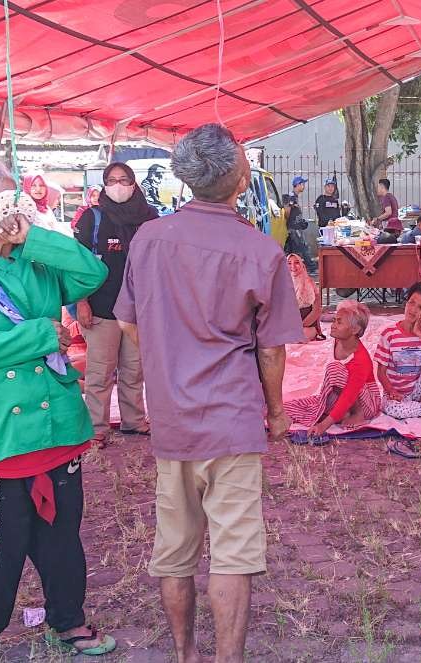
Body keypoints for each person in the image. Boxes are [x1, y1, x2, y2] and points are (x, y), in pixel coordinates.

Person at [114, 124, 303, 663]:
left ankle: (184, 654)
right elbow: (271, 350)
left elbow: (129, 324)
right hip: (233, 417)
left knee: (174, 550)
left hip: (171, 416)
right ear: (241, 178)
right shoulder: (259, 249)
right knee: (234, 551)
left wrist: (168, 359)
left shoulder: (149, 239)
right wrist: (277, 412)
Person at [0, 164, 115, 662]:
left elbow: (92, 274)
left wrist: (35, 238)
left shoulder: (38, 262)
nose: (10, 210)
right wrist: (39, 335)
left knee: (61, 538)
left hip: (54, 427)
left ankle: (68, 621)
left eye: (14, 200)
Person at [74, 163, 156, 445]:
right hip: (101, 307)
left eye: (124, 180)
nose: (118, 185)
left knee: (135, 369)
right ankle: (96, 425)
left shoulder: (148, 218)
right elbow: (76, 266)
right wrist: (81, 302)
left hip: (137, 309)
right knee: (100, 370)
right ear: (104, 184)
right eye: (112, 180)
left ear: (134, 184)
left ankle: (133, 420)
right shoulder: (92, 219)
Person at [284, 299, 380, 440]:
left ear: (355, 330)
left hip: (367, 403)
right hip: (343, 394)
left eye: (339, 322)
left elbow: (349, 395)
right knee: (288, 408)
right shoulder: (339, 340)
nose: (333, 325)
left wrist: (323, 426)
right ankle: (341, 413)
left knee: (335, 370)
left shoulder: (361, 360)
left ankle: (357, 414)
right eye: (334, 320)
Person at [375, 281, 421, 419]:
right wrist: (391, 391)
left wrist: (418, 333)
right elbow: (381, 372)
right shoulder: (389, 334)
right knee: (392, 409)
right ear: (406, 302)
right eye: (411, 302)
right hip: (396, 393)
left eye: (420, 307)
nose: (413, 309)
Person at [287, 252, 324, 342]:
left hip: (308, 324)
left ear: (302, 264)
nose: (293, 266)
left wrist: (301, 325)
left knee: (301, 336)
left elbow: (317, 310)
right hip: (291, 324)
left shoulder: (309, 283)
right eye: (289, 263)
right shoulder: (283, 284)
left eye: (296, 263)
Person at [284, 175, 314, 273]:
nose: (304, 186)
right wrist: (290, 222)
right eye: (302, 184)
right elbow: (287, 210)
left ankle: (293, 269)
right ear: (298, 185)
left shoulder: (294, 196)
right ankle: (311, 267)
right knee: (303, 246)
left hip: (296, 226)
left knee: (294, 249)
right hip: (294, 227)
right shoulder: (292, 196)